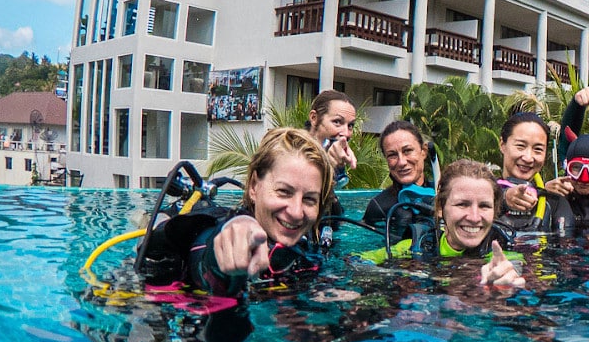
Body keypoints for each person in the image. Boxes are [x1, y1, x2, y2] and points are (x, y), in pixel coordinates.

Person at [138, 128, 333, 297]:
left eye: (309, 199)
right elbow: (207, 251)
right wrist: (224, 250)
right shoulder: (223, 228)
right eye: (283, 192)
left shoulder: (303, 250)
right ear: (254, 186)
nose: (297, 212)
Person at [359, 159, 525, 288]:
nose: (474, 217)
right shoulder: (417, 246)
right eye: (462, 204)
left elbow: (516, 275)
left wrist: (507, 286)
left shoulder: (505, 254)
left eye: (484, 206)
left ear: (495, 211)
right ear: (440, 208)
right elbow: (357, 261)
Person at [495, 111, 575, 237]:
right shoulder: (480, 193)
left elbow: (567, 248)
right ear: (502, 145)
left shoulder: (555, 202)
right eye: (520, 146)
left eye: (538, 149)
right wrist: (503, 199)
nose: (528, 158)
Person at [362, 120, 433, 245]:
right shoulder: (378, 207)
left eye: (407, 151)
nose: (401, 162)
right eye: (392, 155)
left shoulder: (445, 196)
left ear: (424, 151)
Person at [306, 90, 358, 186]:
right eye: (337, 122)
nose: (346, 134)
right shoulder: (289, 151)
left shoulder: (336, 157)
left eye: (350, 125)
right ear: (314, 118)